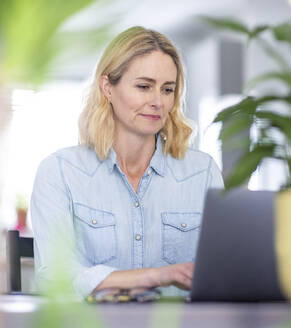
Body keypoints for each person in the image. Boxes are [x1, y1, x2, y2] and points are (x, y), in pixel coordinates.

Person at [30, 26, 223, 298]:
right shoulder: (60, 172)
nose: (157, 101)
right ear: (107, 87)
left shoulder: (203, 173)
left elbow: (223, 273)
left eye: (167, 89)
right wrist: (156, 275)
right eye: (144, 87)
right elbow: (54, 278)